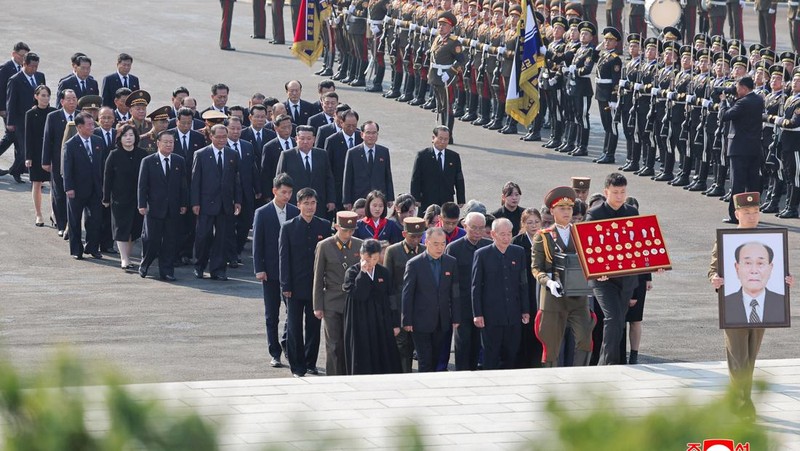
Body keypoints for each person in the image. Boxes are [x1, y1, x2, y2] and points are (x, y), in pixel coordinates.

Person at [709, 191, 795, 420]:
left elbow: (777, 271)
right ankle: (743, 403)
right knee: (737, 356)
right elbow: (713, 268)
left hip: (763, 307)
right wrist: (715, 280)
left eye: (755, 212)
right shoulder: (726, 239)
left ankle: (742, 398)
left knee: (750, 356)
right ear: (737, 213)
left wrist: (786, 279)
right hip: (734, 306)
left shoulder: (768, 239)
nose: (751, 216)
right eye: (746, 212)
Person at [532, 186, 594, 367]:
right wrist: (549, 282)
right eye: (562, 208)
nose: (566, 212)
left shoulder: (581, 233)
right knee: (551, 345)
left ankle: (579, 375)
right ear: (552, 211)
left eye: (569, 208)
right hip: (553, 298)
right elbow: (536, 268)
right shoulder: (543, 237)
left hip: (578, 296)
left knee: (585, 338)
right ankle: (550, 378)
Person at [585, 173, 640, 365]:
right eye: (615, 192)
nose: (619, 196)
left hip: (626, 277)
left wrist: (653, 265)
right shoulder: (595, 214)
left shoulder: (632, 212)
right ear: (606, 192)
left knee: (619, 321)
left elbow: (640, 244)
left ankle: (610, 363)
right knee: (612, 317)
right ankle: (607, 365)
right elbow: (588, 246)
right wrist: (597, 269)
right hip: (603, 279)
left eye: (623, 192)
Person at [279, 187, 331, 377]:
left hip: (316, 286)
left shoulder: (324, 226)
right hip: (294, 286)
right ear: (298, 205)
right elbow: (284, 258)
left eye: (313, 203)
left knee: (313, 326)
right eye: (306, 203)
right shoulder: (289, 227)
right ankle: (297, 366)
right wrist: (286, 286)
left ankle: (311, 362)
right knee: (294, 327)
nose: (310, 207)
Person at [253, 173, 299, 367]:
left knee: (293, 312)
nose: (286, 196)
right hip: (270, 272)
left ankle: (288, 344)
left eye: (289, 192)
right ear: (274, 191)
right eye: (283, 192)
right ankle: (275, 352)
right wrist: (259, 269)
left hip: (291, 272)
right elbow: (257, 243)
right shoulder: (262, 213)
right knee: (271, 314)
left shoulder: (295, 212)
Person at [401, 227, 460, 372]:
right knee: (424, 360)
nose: (440, 247)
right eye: (435, 244)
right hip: (420, 321)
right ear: (426, 242)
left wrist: (456, 317)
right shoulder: (414, 264)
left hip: (443, 320)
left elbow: (455, 292)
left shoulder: (450, 262)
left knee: (437, 359)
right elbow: (407, 293)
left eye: (442, 243)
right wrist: (406, 319)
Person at [312, 211, 363, 376]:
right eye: (344, 230)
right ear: (336, 227)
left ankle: (350, 375)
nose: (348, 234)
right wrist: (317, 306)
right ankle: (333, 377)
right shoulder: (325, 246)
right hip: (332, 300)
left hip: (352, 302)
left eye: (351, 230)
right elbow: (318, 277)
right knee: (334, 345)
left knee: (350, 343)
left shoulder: (359, 245)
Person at [190, 124, 242, 281]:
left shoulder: (232, 154)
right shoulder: (201, 154)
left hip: (225, 203)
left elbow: (236, 180)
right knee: (203, 236)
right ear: (211, 137)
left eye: (224, 137)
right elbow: (195, 181)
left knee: (222, 237)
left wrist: (238, 201)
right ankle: (199, 266)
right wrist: (195, 202)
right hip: (206, 202)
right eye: (218, 137)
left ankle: (218, 269)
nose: (221, 140)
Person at [343, 239, 402, 375]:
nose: (370, 263)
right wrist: (362, 274)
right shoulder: (352, 272)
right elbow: (359, 294)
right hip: (359, 320)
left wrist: (395, 323)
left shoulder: (384, 272)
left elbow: (391, 298)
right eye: (367, 259)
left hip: (381, 319)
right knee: (361, 353)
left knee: (384, 353)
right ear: (361, 255)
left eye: (374, 259)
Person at [137, 131, 188, 281]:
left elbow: (183, 185)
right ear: (158, 143)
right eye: (165, 142)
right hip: (154, 207)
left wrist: (184, 203)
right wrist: (141, 204)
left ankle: (167, 270)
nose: (168, 145)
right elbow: (142, 185)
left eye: (171, 142)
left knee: (170, 241)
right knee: (152, 239)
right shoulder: (148, 161)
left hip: (173, 208)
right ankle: (145, 264)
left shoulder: (179, 161)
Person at [446, 212, 491, 371]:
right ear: (464, 226)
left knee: (480, 345)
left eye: (481, 228)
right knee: (463, 346)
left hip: (484, 305)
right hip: (462, 306)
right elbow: (448, 282)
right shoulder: (453, 248)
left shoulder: (488, 246)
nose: (478, 231)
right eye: (473, 228)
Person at [719, 76, 765, 224]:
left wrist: (723, 101)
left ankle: (735, 216)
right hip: (753, 148)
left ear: (744, 88)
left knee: (737, 184)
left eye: (738, 87)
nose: (736, 90)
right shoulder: (758, 100)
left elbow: (725, 116)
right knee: (752, 184)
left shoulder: (743, 102)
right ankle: (752, 215)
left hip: (739, 148)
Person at [383, 217, 426, 373]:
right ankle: (403, 374)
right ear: (403, 233)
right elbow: (388, 283)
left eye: (418, 236)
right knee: (402, 345)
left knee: (419, 344)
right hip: (400, 306)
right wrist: (392, 308)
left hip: (420, 306)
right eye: (412, 236)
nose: (415, 240)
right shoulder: (393, 251)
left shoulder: (424, 250)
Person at [103, 125, 147, 270]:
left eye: (131, 135)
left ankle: (127, 256)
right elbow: (107, 178)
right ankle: (124, 258)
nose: (128, 138)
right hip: (119, 199)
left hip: (137, 198)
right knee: (121, 229)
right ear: (120, 138)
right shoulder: (114, 155)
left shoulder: (142, 154)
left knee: (134, 230)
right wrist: (106, 198)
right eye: (125, 135)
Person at [62, 112, 104, 260]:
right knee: (74, 221)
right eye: (89, 125)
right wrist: (69, 187)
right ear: (79, 127)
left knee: (95, 220)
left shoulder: (98, 141)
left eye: (93, 124)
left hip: (95, 188)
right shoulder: (71, 145)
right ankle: (76, 250)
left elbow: (102, 165)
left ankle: (92, 247)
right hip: (77, 190)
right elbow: (67, 168)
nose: (93, 127)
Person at [274, 125, 336, 218]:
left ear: (314, 139)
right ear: (296, 139)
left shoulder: (322, 154)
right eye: (302, 138)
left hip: (317, 203)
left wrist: (331, 200)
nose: (305, 142)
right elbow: (279, 180)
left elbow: (328, 178)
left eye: (309, 138)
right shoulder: (287, 155)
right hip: (295, 203)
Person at [722, 241, 787, 325]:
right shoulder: (726, 303)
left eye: (760, 263)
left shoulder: (782, 302)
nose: (754, 271)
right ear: (737, 268)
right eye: (748, 263)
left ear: (770, 268)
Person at [42, 89, 78, 238]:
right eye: (68, 99)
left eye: (74, 98)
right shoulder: (53, 117)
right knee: (59, 194)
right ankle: (61, 225)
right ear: (62, 101)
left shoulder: (82, 116)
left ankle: (72, 224)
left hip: (78, 162)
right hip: (58, 161)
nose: (72, 102)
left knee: (75, 194)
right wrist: (45, 161)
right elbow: (47, 139)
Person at [226, 116, 261, 266]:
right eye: (232, 128)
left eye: (238, 128)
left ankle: (237, 251)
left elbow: (253, 169)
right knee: (228, 226)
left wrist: (258, 189)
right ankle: (231, 254)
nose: (235, 131)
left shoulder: (247, 146)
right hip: (228, 193)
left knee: (245, 224)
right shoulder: (221, 146)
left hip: (247, 192)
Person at [5, 51, 45, 184]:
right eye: (31, 66)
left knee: (34, 149)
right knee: (24, 149)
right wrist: (10, 122)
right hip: (20, 120)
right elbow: (10, 102)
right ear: (24, 64)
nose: (34, 69)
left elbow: (44, 95)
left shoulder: (40, 77)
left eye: (36, 66)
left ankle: (26, 174)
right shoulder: (15, 80)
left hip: (36, 119)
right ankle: (16, 170)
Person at [512, 208, 544, 368]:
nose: (533, 226)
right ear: (523, 224)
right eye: (529, 222)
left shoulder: (546, 239)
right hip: (523, 291)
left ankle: (538, 363)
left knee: (541, 329)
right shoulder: (517, 242)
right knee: (524, 331)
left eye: (536, 222)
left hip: (542, 288)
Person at [409, 126, 466, 212]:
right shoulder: (423, 155)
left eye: (446, 139)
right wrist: (416, 198)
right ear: (433, 138)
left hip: (447, 199)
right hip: (427, 198)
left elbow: (459, 179)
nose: (443, 142)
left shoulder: (454, 157)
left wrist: (461, 199)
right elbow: (416, 178)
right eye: (440, 138)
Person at [428, 11, 465, 141]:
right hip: (436, 77)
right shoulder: (438, 39)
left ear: (450, 27)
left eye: (444, 25)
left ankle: (448, 135)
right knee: (441, 106)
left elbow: (461, 61)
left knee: (447, 107)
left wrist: (450, 73)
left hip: (446, 78)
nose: (441, 27)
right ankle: (442, 132)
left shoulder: (454, 42)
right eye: (440, 24)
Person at [342, 121, 395, 209]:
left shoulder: (384, 152)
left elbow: (387, 175)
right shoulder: (353, 153)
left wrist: (390, 198)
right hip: (359, 198)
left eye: (374, 133)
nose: (371, 136)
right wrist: (347, 200)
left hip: (378, 199)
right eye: (368, 133)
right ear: (362, 134)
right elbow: (347, 178)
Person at [24, 85, 55, 227]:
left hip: (51, 153)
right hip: (36, 153)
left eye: (47, 95)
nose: (45, 98)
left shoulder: (54, 112)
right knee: (37, 183)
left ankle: (54, 213)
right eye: (42, 95)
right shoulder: (30, 114)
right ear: (36, 96)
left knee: (54, 184)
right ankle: (38, 214)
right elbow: (28, 137)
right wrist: (28, 156)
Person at [0, 42, 29, 178]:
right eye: (22, 56)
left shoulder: (24, 68)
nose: (24, 59)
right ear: (14, 54)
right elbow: (1, 90)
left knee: (16, 138)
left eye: (26, 56)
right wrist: (1, 109)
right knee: (13, 137)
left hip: (21, 111)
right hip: (9, 110)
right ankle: (17, 169)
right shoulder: (6, 68)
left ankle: (18, 169)